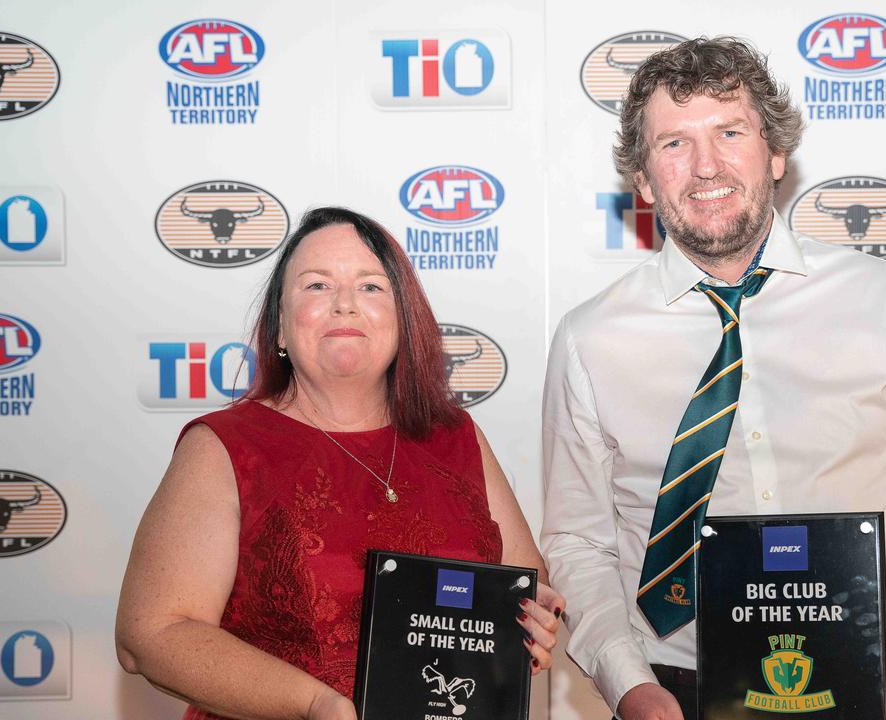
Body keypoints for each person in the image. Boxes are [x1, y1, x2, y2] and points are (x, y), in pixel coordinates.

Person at [541, 38, 886, 720]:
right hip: (676, 692)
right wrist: (628, 683)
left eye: (730, 132)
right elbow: (578, 540)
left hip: (875, 683)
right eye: (673, 144)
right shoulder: (590, 339)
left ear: (775, 152)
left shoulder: (884, 301)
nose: (706, 166)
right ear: (642, 178)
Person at [117, 207, 563, 720]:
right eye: (316, 286)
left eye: (371, 287)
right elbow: (151, 634)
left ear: (403, 321)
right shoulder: (225, 446)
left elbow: (524, 581)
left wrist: (529, 622)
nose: (345, 305)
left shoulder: (457, 437)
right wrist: (315, 705)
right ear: (280, 328)